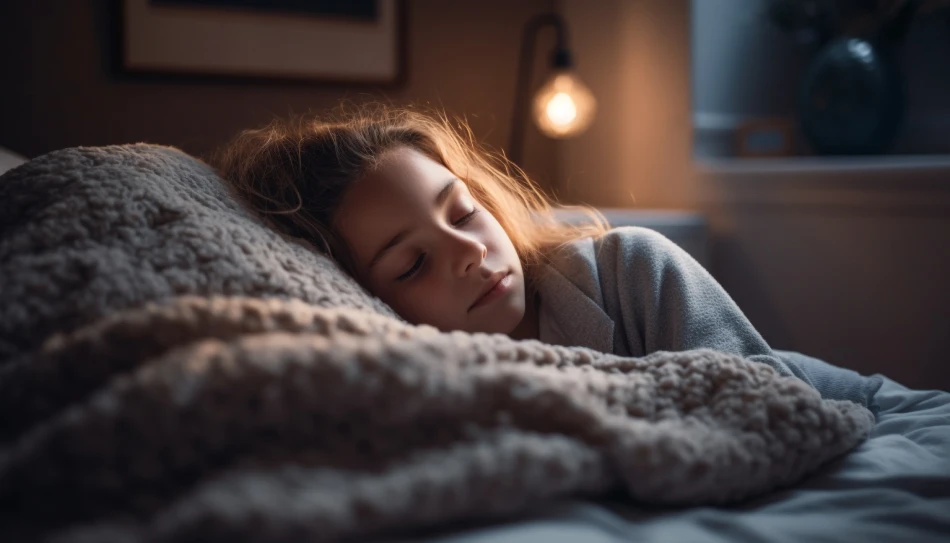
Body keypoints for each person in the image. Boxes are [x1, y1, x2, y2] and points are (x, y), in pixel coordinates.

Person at [211, 104, 882, 411]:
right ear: (360, 295)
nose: (471, 252)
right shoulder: (413, 390)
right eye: (411, 264)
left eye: (464, 211)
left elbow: (762, 407)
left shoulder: (631, 270)